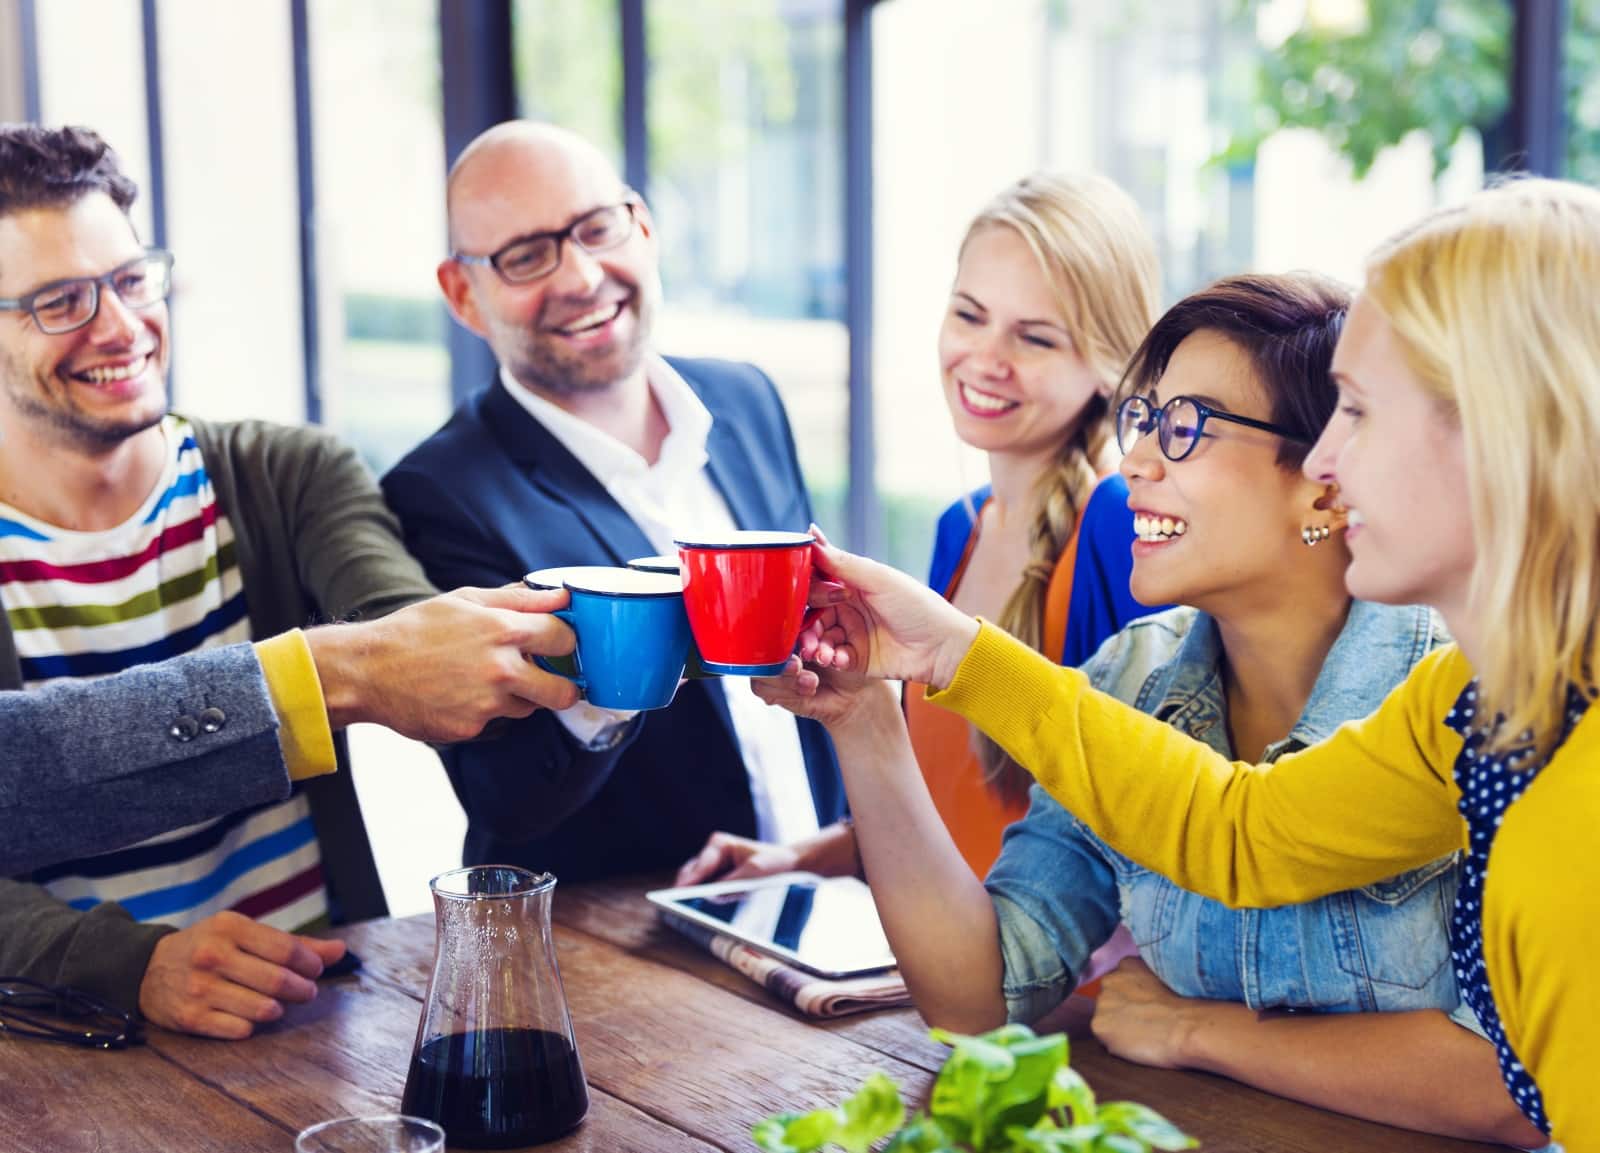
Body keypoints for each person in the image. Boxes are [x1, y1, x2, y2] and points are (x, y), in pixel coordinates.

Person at [779, 179, 1600, 1148]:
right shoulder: (1468, 702)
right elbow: (1239, 832)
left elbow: (1516, 1088)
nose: (1331, 456)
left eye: (1360, 410)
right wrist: (908, 680)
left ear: (1503, 428)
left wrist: (1197, 1030)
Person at [0, 123, 574, 1041]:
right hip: (68, 1055)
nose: (119, 325)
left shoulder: (286, 473)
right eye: (60, 301)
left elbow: (402, 624)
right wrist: (129, 964)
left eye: (131, 278)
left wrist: (548, 647)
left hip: (313, 1021)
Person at [382, 120, 845, 882]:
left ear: (644, 227)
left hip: (819, 911)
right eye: (528, 255)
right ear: (463, 294)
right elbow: (508, 797)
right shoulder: (439, 494)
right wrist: (616, 668)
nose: (581, 277)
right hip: (626, 959)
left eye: (597, 228)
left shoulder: (748, 398)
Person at [679, 170, 1163, 887]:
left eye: (1034, 337)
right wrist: (801, 859)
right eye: (969, 315)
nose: (986, 359)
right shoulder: (959, 529)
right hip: (950, 971)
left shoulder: (1121, 528)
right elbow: (951, 812)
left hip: (1064, 990)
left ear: (1107, 362)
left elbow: (1160, 812)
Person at [1, 588, 580, 878]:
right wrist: (344, 669)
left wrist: (440, 641)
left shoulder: (283, 464)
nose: (121, 342)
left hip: (309, 983)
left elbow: (396, 599)